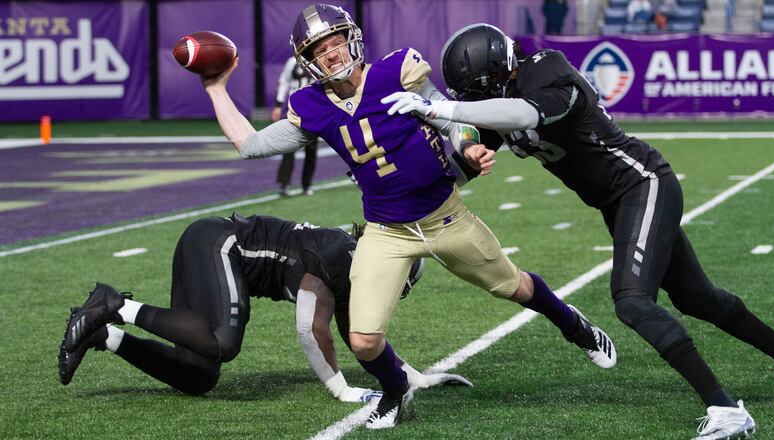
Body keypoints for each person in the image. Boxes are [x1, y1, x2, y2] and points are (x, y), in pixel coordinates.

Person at [200, 4, 617, 430]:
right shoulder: (311, 105)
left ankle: (574, 326)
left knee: (516, 286)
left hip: (446, 217)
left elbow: (449, 115)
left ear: (352, 38)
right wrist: (216, 89)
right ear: (307, 60)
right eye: (318, 49)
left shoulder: (397, 69)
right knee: (363, 341)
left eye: (335, 41)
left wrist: (470, 146)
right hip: (386, 232)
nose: (331, 53)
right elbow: (251, 144)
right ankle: (397, 392)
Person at [382, 22, 774, 439]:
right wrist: (404, 183)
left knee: (631, 301)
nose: (471, 101)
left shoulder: (547, 68)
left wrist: (442, 109)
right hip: (616, 202)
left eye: (476, 92)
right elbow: (467, 156)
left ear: (499, 72)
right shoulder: (495, 102)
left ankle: (725, 409)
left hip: (642, 182)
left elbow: (525, 113)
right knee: (697, 297)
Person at [58, 214, 470, 400]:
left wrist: (414, 378)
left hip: (213, 249)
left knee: (197, 375)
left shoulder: (356, 267)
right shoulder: (340, 257)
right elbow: (310, 327)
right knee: (223, 341)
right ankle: (113, 305)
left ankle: (105, 334)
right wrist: (340, 390)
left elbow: (362, 338)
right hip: (219, 243)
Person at [272, 57, 318, 196]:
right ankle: (284, 184)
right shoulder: (292, 62)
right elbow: (284, 82)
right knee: (288, 146)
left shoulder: (318, 59)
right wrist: (278, 105)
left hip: (313, 110)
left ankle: (307, 184)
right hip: (294, 109)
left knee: (311, 149)